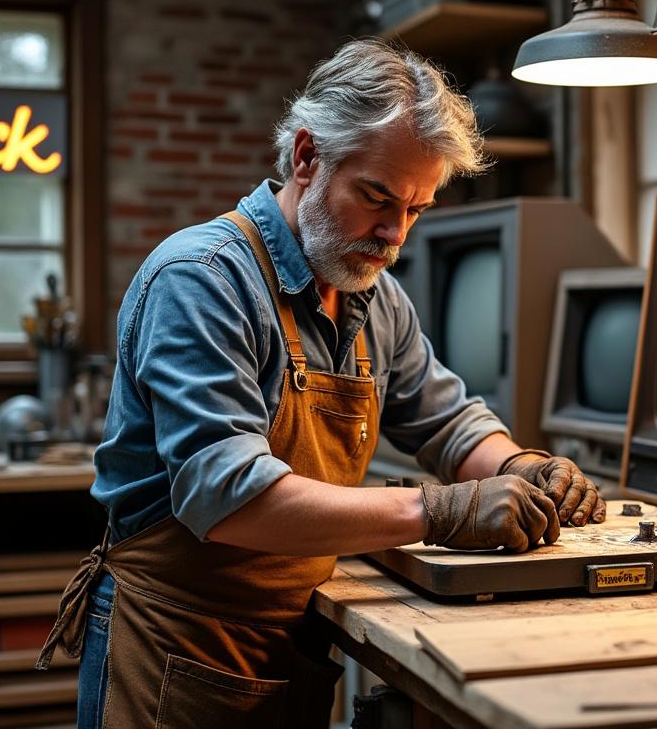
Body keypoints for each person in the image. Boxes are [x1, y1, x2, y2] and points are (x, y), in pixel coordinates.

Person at [38, 39, 606, 728]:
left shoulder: (373, 293)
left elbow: (447, 422)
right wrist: (440, 511)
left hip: (287, 646)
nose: (394, 234)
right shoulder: (203, 280)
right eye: (377, 197)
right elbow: (228, 497)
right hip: (172, 653)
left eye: (418, 209)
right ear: (307, 158)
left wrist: (522, 466)